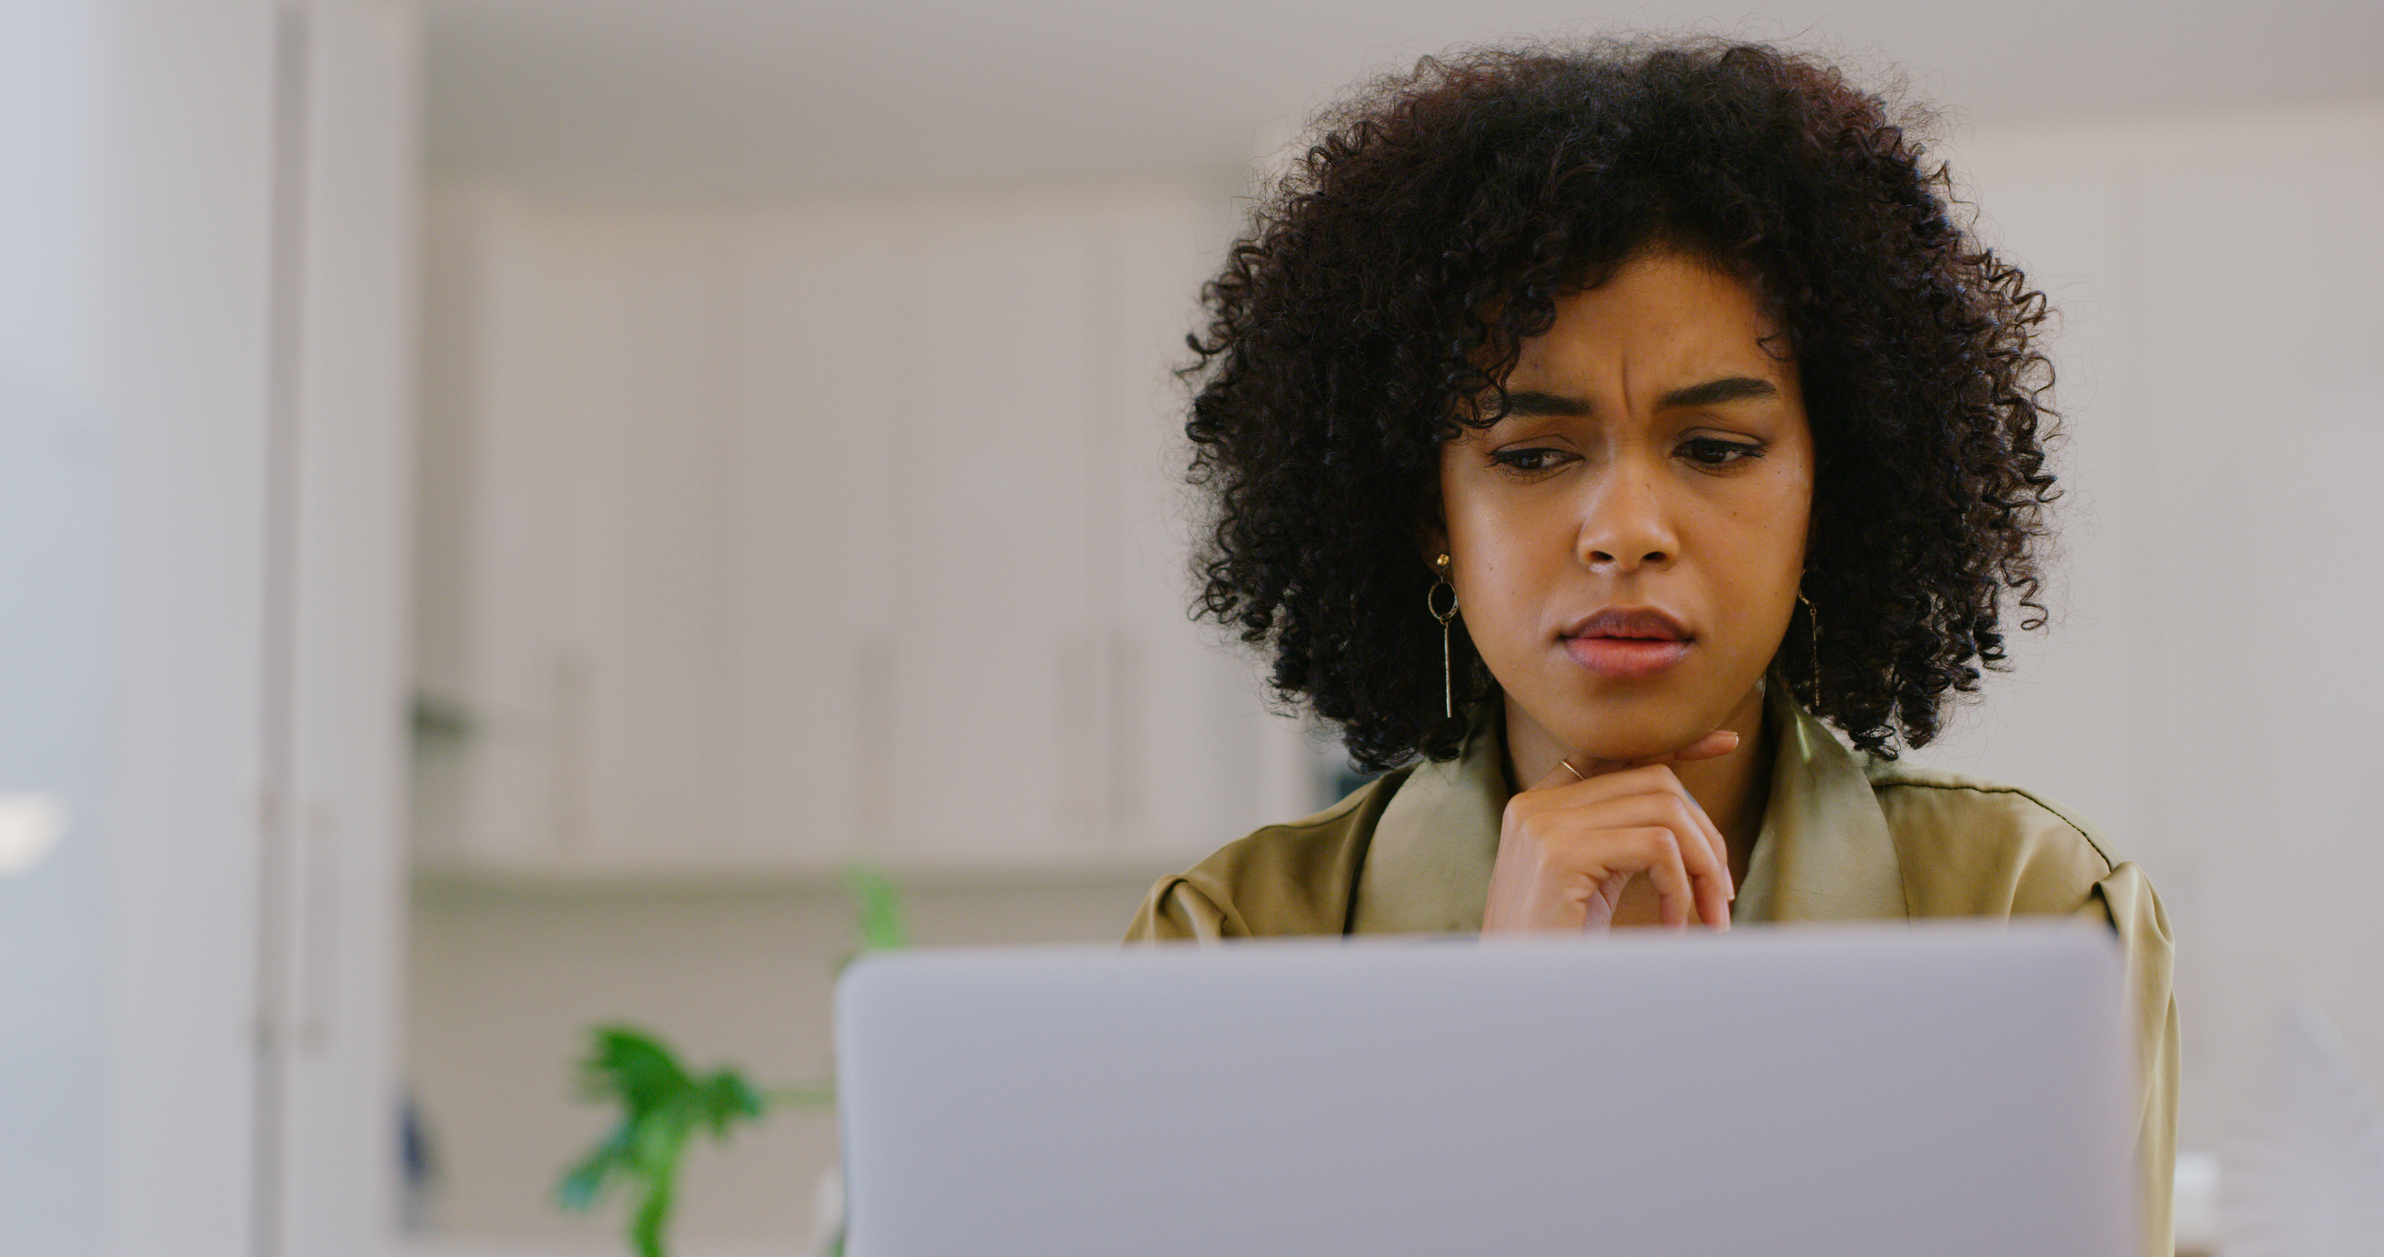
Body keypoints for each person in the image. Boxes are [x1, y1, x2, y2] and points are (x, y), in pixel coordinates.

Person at [1124, 37, 2177, 1255]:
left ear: (1824, 498)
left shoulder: (2028, 917)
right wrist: (1493, 1042)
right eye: (1529, 456)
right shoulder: (1231, 947)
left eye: (1716, 449)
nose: (1624, 532)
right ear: (1429, 517)